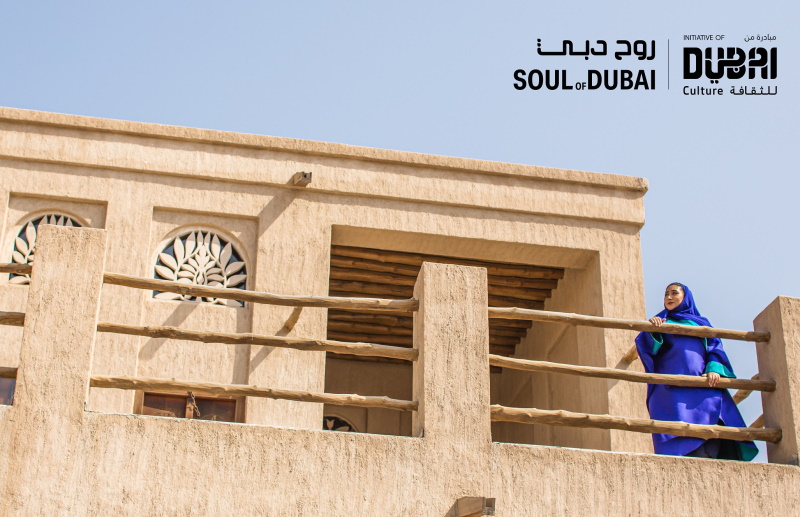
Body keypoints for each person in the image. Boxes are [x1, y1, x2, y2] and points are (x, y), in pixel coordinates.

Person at [635, 282, 758, 460]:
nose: (669, 297)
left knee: (713, 421)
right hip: (671, 391)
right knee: (677, 428)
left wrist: (714, 369)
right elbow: (646, 349)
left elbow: (715, 348)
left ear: (686, 297)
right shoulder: (661, 322)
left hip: (702, 385)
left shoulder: (701, 324)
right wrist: (652, 331)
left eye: (674, 293)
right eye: (666, 294)